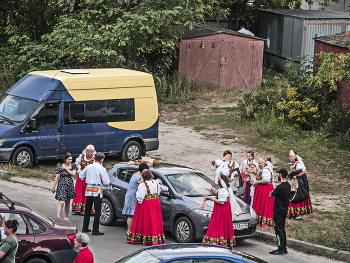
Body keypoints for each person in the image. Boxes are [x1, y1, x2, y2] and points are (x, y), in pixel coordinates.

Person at [126, 169, 166, 246]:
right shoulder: (156, 183)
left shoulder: (143, 184)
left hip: (146, 202)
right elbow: (158, 192)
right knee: (154, 219)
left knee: (145, 220)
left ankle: (143, 237)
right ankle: (155, 237)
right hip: (155, 202)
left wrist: (139, 200)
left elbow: (140, 195)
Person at [80, 152, 110, 235]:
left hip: (89, 189)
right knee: (97, 210)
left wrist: (88, 178)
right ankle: (95, 229)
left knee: (87, 210)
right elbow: (106, 182)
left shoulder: (88, 167)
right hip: (97, 190)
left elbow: (81, 176)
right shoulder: (102, 169)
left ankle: (85, 227)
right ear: (102, 160)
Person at [202, 174, 236, 248]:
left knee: (218, 224)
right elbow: (220, 196)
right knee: (222, 224)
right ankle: (222, 240)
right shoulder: (223, 189)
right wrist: (215, 192)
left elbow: (221, 202)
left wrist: (212, 199)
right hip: (223, 209)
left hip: (221, 209)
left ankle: (217, 241)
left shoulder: (223, 190)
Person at [269, 169, 291, 255]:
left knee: (278, 229)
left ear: (281, 175)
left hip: (278, 210)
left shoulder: (280, 186)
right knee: (282, 228)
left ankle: (280, 248)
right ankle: (284, 247)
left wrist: (272, 191)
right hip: (284, 209)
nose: (277, 175)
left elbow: (271, 195)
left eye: (278, 174)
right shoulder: (288, 185)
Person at [122, 162, 149, 232]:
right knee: (131, 215)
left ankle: (131, 231)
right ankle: (130, 231)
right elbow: (144, 182)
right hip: (132, 197)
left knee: (132, 215)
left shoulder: (135, 174)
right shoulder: (139, 178)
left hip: (131, 196)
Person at [287, 149, 313, 220]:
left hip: (300, 182)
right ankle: (293, 212)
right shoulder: (292, 165)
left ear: (295, 157)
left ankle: (299, 213)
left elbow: (305, 171)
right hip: (294, 181)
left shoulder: (298, 164)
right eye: (289, 157)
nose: (290, 158)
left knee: (299, 196)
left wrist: (297, 176)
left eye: (291, 157)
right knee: (292, 195)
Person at [72, 144, 96, 215]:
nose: (89, 153)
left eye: (91, 152)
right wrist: (79, 168)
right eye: (88, 152)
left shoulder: (95, 159)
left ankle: (87, 210)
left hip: (89, 177)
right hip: (81, 178)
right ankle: (77, 209)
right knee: (79, 192)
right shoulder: (81, 156)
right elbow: (77, 163)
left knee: (87, 193)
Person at [52, 153, 77, 220]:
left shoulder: (73, 166)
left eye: (71, 159)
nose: (70, 161)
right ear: (65, 159)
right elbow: (57, 177)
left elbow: (73, 174)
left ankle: (66, 217)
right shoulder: (60, 166)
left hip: (69, 185)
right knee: (61, 202)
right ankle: (58, 218)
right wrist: (53, 187)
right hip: (62, 185)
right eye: (69, 159)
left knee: (68, 202)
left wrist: (66, 169)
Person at [252, 156, 275, 227]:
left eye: (260, 163)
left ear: (264, 164)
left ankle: (265, 221)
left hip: (265, 189)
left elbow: (266, 180)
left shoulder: (266, 170)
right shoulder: (261, 169)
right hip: (261, 189)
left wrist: (257, 182)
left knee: (264, 204)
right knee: (260, 203)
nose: (259, 165)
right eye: (258, 163)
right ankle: (259, 220)